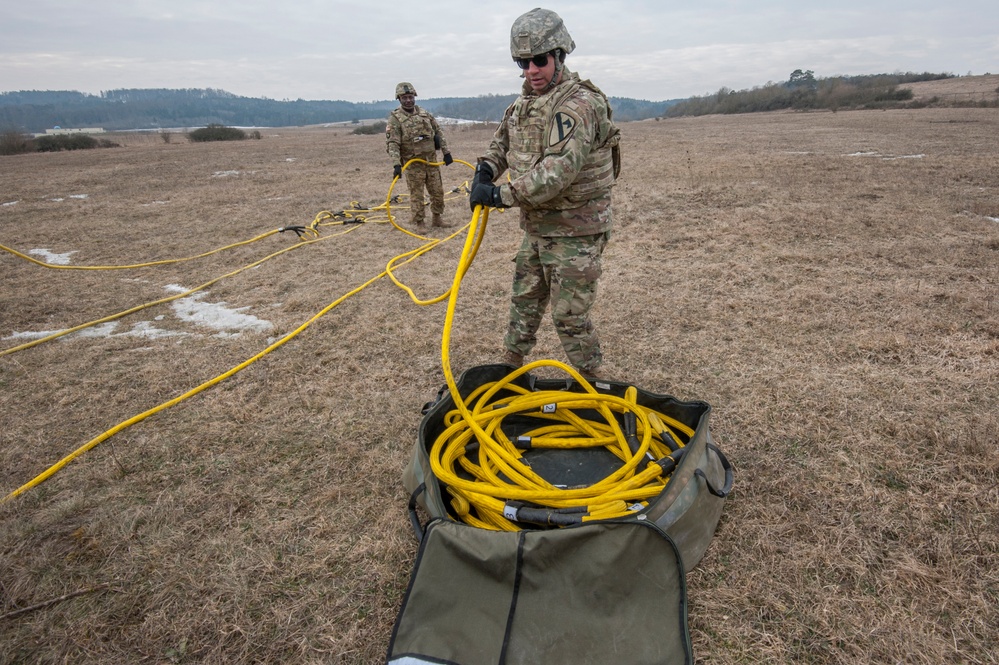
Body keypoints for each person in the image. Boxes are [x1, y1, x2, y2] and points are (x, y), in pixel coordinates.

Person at [469, 8, 621, 380]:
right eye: (524, 62)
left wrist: (501, 195)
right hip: (538, 227)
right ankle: (507, 370)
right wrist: (485, 169)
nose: (532, 70)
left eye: (540, 60)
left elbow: (556, 173)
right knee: (524, 299)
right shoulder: (524, 104)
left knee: (569, 315)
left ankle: (595, 383)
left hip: (576, 230)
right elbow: (501, 144)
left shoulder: (578, 104)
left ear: (559, 56)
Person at [385, 82, 454, 229]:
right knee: (417, 195)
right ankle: (420, 222)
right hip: (413, 164)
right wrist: (396, 164)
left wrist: (446, 152)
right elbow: (393, 143)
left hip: (431, 161)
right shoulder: (395, 119)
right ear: (399, 99)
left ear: (414, 97)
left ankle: (437, 218)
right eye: (405, 98)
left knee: (437, 191)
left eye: (410, 97)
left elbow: (438, 132)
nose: (408, 100)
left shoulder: (424, 114)